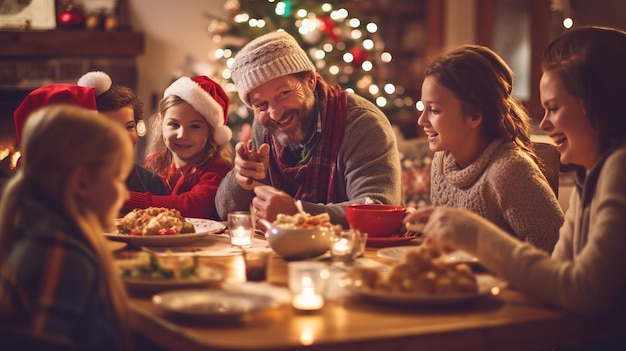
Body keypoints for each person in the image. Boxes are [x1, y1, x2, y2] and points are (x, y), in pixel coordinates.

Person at [405, 26, 626, 324]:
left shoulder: (619, 168)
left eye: (555, 108)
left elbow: (584, 291)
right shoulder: (593, 174)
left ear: (597, 106)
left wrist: (477, 236)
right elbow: (559, 274)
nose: (544, 124)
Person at [215, 30, 402, 226]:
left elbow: (379, 209)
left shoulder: (362, 123)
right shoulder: (264, 127)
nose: (276, 114)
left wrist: (299, 213)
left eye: (284, 93)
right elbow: (224, 211)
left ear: (310, 81)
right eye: (261, 104)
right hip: (283, 251)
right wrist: (241, 179)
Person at [0, 104, 134, 350]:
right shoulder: (62, 254)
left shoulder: (35, 231)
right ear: (81, 182)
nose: (125, 195)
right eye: (117, 178)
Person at [416, 44, 564, 252]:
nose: (422, 120)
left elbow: (555, 252)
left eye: (434, 110)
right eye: (423, 107)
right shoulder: (440, 162)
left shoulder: (510, 171)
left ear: (475, 116)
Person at [122, 75, 233, 219]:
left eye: (194, 126)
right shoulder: (155, 163)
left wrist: (125, 198)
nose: (182, 135)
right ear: (161, 122)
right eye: (174, 125)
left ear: (211, 131)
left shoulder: (217, 168)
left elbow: (192, 207)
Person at [77, 71, 168, 197]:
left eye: (129, 127)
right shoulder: (76, 181)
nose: (123, 136)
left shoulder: (151, 183)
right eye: (111, 128)